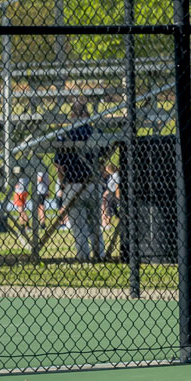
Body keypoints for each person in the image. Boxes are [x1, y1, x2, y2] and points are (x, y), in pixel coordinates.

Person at [53, 100, 101, 261]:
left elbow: (59, 166)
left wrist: (62, 184)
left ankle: (83, 257)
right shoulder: (95, 132)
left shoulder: (65, 134)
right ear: (87, 114)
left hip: (72, 183)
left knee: (78, 227)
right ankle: (99, 255)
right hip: (93, 183)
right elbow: (103, 158)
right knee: (95, 225)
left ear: (72, 115)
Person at [101, 162, 120, 227]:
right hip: (110, 193)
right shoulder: (112, 175)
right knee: (108, 204)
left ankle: (108, 223)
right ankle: (108, 221)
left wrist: (117, 195)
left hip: (114, 194)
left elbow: (117, 186)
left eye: (106, 170)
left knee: (109, 205)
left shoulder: (116, 175)